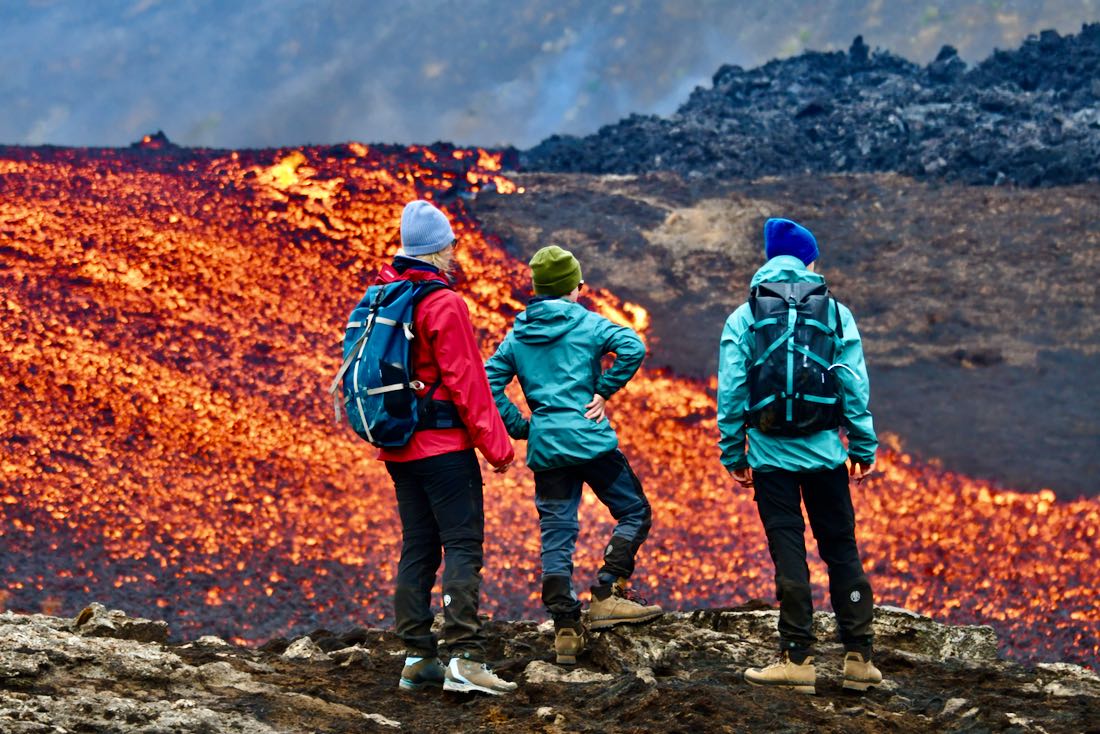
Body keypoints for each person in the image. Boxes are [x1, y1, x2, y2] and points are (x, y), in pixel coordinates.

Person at [717, 218, 882, 695]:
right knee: (841, 550)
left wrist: (734, 451)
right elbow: (853, 382)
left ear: (767, 262)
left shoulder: (744, 316)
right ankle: (858, 658)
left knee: (789, 553)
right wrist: (862, 444)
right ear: (809, 260)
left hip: (770, 459)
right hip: (827, 455)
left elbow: (731, 391)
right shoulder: (835, 313)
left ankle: (797, 658)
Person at [485, 245, 662, 666]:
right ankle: (606, 592)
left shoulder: (517, 336)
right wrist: (603, 391)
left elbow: (489, 382)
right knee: (634, 512)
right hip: (591, 441)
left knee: (557, 533)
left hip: (548, 449)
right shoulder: (588, 323)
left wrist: (523, 427)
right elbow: (632, 347)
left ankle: (566, 627)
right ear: (575, 288)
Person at [377, 200, 517, 696]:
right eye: (452, 245)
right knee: (461, 544)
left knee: (418, 546)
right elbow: (468, 383)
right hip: (443, 448)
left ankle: (417, 658)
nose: (455, 253)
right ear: (440, 249)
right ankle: (465, 657)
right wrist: (498, 448)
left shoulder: (384, 297)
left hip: (398, 447)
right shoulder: (442, 302)